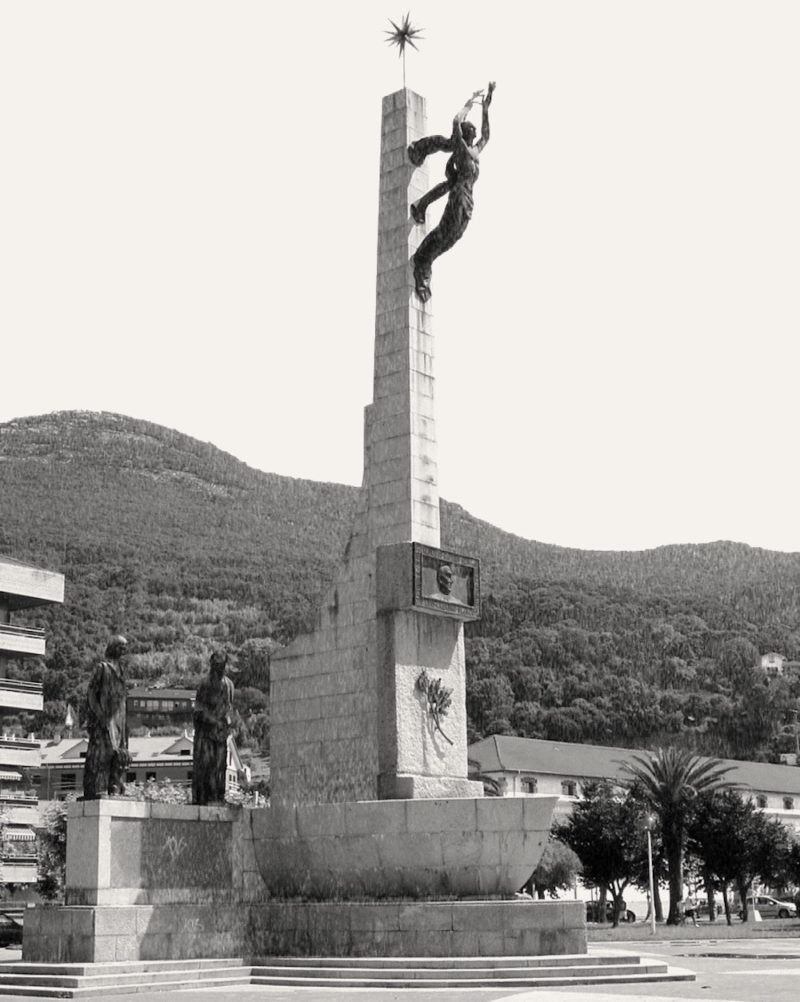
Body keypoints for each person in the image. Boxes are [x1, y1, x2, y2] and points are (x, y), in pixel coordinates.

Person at [408, 81, 495, 303]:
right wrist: (468, 105)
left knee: (453, 237)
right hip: (458, 198)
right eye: (471, 132)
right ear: (466, 135)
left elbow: (487, 136)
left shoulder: (474, 152)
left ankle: (427, 258)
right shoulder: (460, 147)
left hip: (468, 203)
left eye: (474, 133)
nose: (475, 135)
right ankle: (421, 260)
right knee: (445, 232)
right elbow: (456, 121)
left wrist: (486, 107)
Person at [83, 635, 130, 799]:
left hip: (119, 720)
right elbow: (91, 693)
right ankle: (98, 788)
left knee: (119, 754)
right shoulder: (102, 668)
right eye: (120, 647)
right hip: (104, 718)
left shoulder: (121, 671)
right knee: (102, 754)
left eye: (125, 648)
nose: (123, 651)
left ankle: (115, 787)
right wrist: (99, 715)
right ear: (112, 647)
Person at [192, 649, 235, 806]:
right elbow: (198, 710)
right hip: (206, 734)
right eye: (217, 665)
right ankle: (204, 799)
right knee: (206, 767)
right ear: (212, 665)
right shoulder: (204, 684)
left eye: (222, 665)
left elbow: (229, 708)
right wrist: (213, 721)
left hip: (221, 734)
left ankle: (218, 796)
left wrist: (228, 722)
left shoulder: (229, 685)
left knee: (220, 767)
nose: (220, 668)